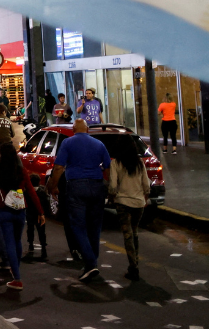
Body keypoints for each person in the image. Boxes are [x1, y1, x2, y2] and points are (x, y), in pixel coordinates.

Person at [48, 119, 111, 282]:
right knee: (95, 226)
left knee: (78, 225)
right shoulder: (99, 144)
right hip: (97, 186)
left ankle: (90, 262)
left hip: (76, 185)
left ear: (74, 129)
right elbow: (108, 166)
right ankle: (91, 262)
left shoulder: (68, 143)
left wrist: (53, 186)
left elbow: (59, 167)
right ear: (88, 129)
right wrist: (109, 186)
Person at [0, 144, 44, 291]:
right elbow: (31, 192)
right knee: (17, 241)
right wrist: (41, 212)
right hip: (20, 210)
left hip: (4, 210)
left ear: (1, 155)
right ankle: (15, 271)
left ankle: (17, 279)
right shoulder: (21, 171)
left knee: (9, 242)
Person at [107, 133, 150, 281]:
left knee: (127, 235)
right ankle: (135, 263)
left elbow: (112, 186)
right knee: (135, 232)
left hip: (123, 203)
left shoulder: (116, 163)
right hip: (138, 203)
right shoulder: (139, 163)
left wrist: (111, 197)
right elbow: (147, 185)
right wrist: (145, 197)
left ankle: (133, 267)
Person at [25, 174, 49, 261]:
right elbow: (46, 204)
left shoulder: (27, 192)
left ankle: (31, 245)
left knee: (30, 229)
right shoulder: (42, 192)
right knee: (41, 232)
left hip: (30, 214)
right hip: (39, 214)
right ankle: (43, 248)